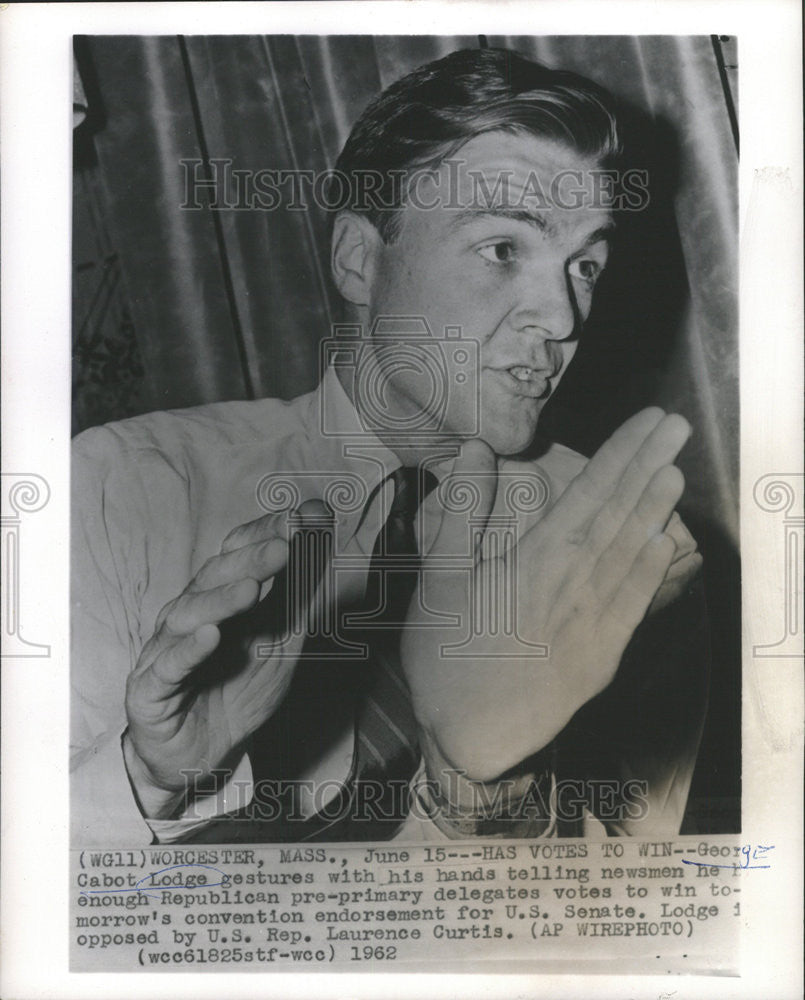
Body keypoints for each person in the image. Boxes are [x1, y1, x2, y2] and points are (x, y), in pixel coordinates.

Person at [71, 47, 707, 845]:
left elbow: (631, 932)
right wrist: (151, 777)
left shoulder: (625, 548)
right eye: (504, 248)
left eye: (585, 265)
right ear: (360, 259)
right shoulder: (118, 489)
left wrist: (482, 783)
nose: (562, 316)